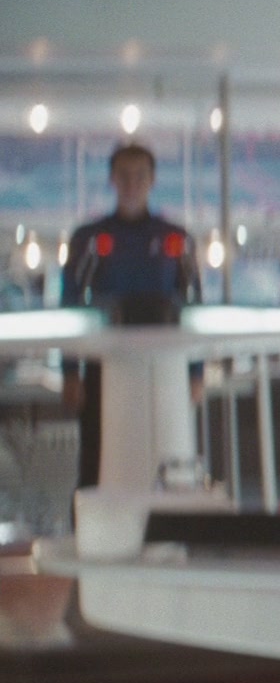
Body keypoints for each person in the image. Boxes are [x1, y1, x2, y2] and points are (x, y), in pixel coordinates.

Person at [60, 143, 201, 488]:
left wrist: (196, 372)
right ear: (112, 179)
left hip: (164, 368)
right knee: (98, 460)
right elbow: (70, 305)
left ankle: (165, 521)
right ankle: (92, 522)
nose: (132, 183)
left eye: (140, 175)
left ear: (152, 180)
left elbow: (193, 307)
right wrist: (70, 372)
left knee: (166, 458)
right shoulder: (89, 239)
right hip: (104, 366)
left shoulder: (175, 238)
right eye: (124, 175)